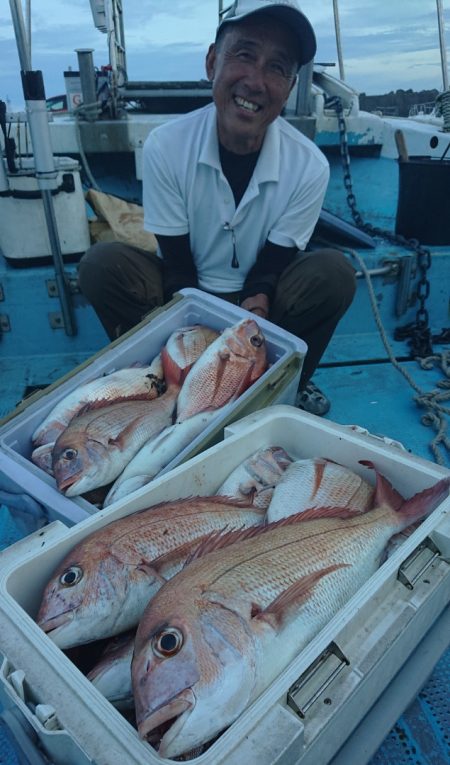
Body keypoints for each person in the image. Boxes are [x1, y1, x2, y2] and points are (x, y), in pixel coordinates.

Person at [78, 0, 356, 416]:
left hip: (261, 300)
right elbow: (177, 267)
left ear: (291, 85)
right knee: (102, 265)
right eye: (244, 54)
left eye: (277, 67)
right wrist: (195, 335)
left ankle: (286, 385)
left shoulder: (310, 165)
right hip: (181, 286)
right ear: (212, 62)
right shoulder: (166, 145)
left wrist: (250, 320)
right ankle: (158, 380)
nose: (256, 81)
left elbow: (269, 272)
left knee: (334, 274)